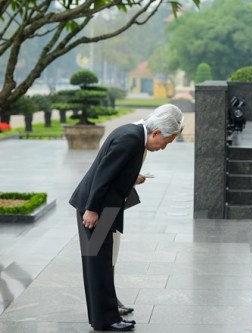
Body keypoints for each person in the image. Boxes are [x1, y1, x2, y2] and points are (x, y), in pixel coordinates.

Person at [70, 104, 184, 331]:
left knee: (97, 263)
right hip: (98, 209)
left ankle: (103, 318)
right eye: (166, 142)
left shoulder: (132, 132)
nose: (163, 148)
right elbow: (103, 175)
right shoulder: (131, 139)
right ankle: (107, 320)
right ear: (156, 133)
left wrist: (134, 176)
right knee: (98, 264)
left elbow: (114, 169)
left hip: (102, 207)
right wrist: (92, 210)